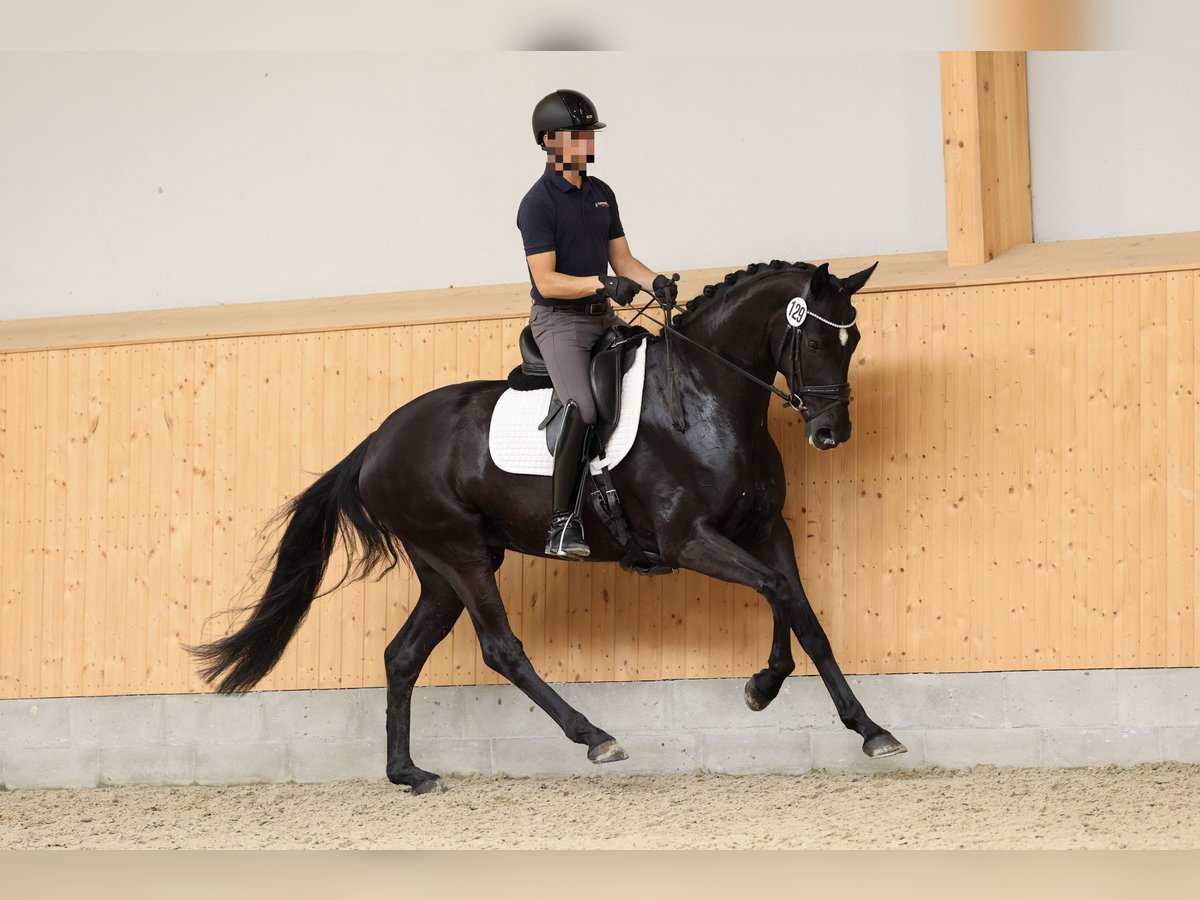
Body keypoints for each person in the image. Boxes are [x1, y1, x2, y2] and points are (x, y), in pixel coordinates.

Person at [516, 88, 678, 560]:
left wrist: (656, 282)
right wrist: (601, 284)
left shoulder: (601, 194)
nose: (588, 142)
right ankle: (562, 523)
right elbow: (546, 281)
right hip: (560, 324)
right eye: (578, 135)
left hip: (602, 317)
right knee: (583, 409)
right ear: (549, 141)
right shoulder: (537, 204)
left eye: (589, 134)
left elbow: (623, 261)